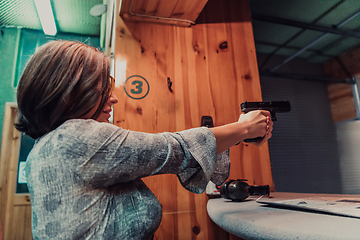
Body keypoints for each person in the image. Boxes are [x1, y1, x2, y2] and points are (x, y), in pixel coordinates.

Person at [15, 40, 273, 240]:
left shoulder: (46, 148)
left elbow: (180, 149)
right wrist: (243, 128)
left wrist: (240, 133)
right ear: (68, 91)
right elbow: (176, 150)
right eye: (102, 86)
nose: (113, 98)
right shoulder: (72, 138)